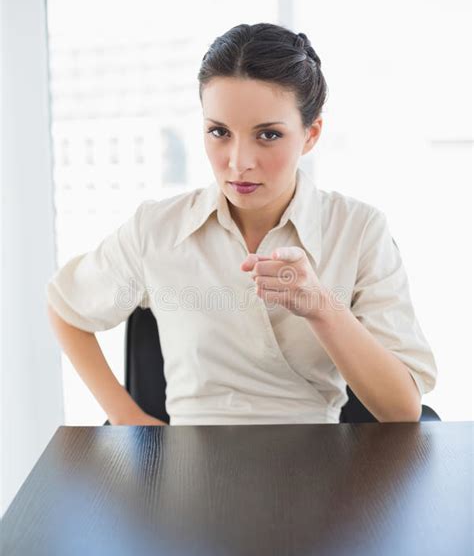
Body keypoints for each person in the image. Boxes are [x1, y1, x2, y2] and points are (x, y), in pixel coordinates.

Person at [46, 22, 437, 426]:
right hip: (190, 466)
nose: (238, 162)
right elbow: (66, 307)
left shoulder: (359, 230)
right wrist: (128, 418)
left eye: (267, 135)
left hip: (318, 463)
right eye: (219, 132)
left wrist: (321, 307)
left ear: (311, 134)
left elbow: (403, 411)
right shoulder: (156, 229)